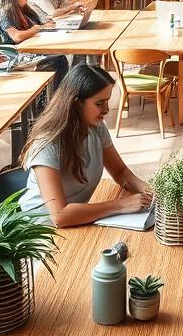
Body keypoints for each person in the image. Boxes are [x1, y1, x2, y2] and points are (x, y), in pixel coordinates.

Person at [19, 64, 152, 226]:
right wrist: (121, 205)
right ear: (76, 103)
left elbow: (120, 171)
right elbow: (60, 216)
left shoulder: (96, 127)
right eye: (99, 103)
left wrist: (150, 192)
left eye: (107, 101)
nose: (106, 109)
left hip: (76, 221)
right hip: (41, 229)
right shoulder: (47, 143)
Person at [0, 0, 69, 89]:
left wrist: (46, 24)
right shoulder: (6, 16)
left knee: (61, 58)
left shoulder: (25, 9)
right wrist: (37, 29)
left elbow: (41, 22)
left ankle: (57, 94)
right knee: (58, 61)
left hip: (32, 49)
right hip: (18, 57)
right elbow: (16, 37)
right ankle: (51, 98)